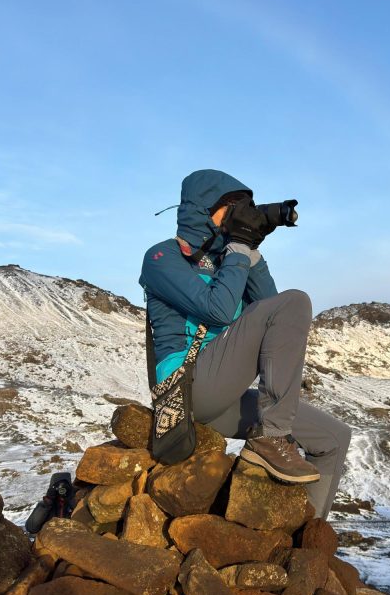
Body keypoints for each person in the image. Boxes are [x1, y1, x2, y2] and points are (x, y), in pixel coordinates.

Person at [139, 169, 351, 518]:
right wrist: (238, 249)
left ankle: (307, 532)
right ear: (205, 208)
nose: (240, 215)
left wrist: (252, 253)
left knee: (333, 437)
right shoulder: (162, 258)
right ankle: (271, 436)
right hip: (186, 389)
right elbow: (219, 311)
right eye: (233, 207)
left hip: (224, 395)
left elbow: (272, 309)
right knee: (297, 299)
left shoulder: (230, 261)